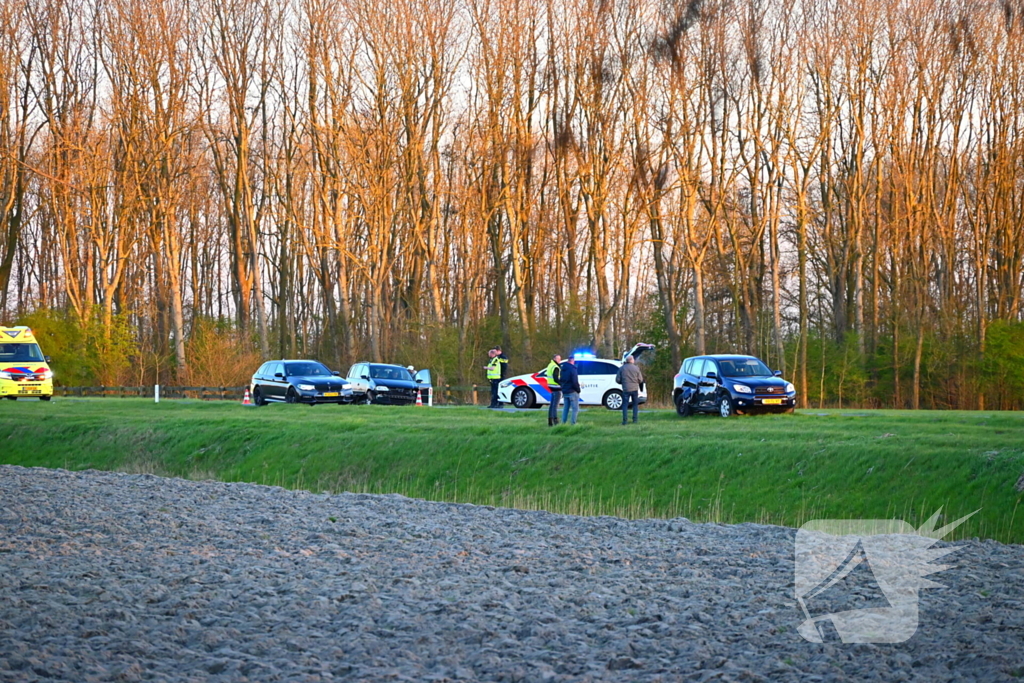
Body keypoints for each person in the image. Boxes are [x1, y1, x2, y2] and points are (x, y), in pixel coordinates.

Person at [615, 355, 644, 424]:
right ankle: (635, 420)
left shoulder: (622, 368)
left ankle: (625, 421)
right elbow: (640, 379)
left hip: (626, 389)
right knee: (635, 405)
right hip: (634, 389)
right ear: (631, 360)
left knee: (625, 405)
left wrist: (623, 383)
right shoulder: (636, 368)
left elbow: (617, 379)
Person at [558, 355, 581, 425]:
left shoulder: (563, 369)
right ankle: (573, 423)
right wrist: (578, 389)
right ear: (572, 360)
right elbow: (574, 381)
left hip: (565, 390)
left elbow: (561, 380)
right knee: (575, 409)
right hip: (572, 391)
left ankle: (563, 422)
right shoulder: (573, 369)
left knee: (566, 408)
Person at [544, 353, 562, 426]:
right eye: (558, 359)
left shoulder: (550, 365)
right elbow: (555, 378)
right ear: (555, 359)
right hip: (556, 387)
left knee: (552, 405)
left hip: (550, 386)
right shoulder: (555, 367)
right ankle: (555, 420)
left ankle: (550, 421)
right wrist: (562, 384)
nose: (559, 360)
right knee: (555, 406)